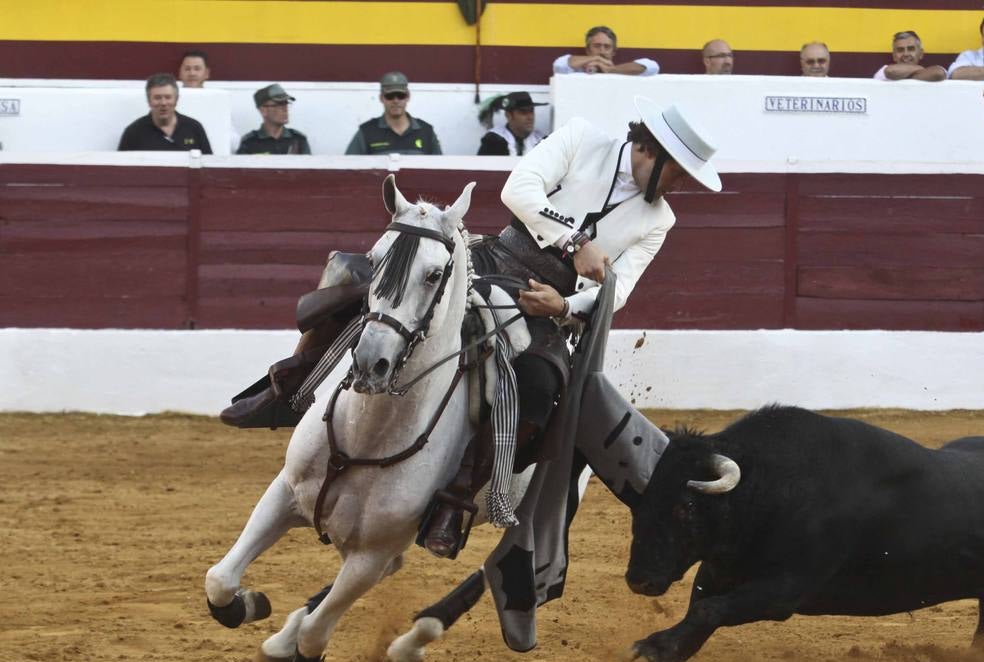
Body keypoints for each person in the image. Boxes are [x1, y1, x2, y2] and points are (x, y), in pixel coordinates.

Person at [222, 98, 722, 563]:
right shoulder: (582, 138)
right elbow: (518, 189)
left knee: (541, 386)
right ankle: (288, 387)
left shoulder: (660, 219)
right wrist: (575, 243)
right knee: (358, 284)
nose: (681, 186)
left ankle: (458, 497)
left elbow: (620, 288)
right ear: (649, 151)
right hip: (491, 261)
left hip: (543, 308)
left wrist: (563, 303)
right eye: (680, 172)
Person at [346, 72, 442, 155]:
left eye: (400, 95)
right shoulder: (366, 132)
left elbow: (440, 170)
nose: (396, 101)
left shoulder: (426, 132)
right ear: (381, 98)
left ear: (408, 96)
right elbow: (348, 168)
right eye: (390, 96)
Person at [117, 73, 212, 153]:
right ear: (149, 101)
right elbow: (120, 172)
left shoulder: (194, 128)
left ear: (176, 99)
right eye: (157, 98)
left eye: (168, 97)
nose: (163, 103)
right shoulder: (133, 133)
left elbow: (209, 168)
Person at [554, 25, 659, 77]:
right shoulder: (575, 73)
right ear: (587, 50)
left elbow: (652, 67)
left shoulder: (623, 71)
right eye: (597, 46)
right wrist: (596, 58)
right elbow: (559, 65)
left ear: (613, 52)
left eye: (607, 47)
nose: (602, 50)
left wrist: (612, 70)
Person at [237, 84, 311, 155]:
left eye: (286, 104)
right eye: (279, 104)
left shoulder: (299, 140)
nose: (285, 109)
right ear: (263, 110)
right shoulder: (249, 143)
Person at [477, 91, 547, 156]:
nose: (530, 117)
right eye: (523, 112)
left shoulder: (542, 141)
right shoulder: (493, 141)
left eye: (531, 111)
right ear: (509, 115)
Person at [873, 31, 946, 82]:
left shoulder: (931, 71)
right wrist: (919, 68)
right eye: (900, 50)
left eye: (911, 49)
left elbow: (938, 73)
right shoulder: (883, 73)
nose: (906, 54)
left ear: (921, 53)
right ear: (894, 56)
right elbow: (890, 71)